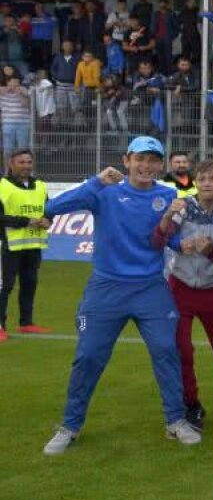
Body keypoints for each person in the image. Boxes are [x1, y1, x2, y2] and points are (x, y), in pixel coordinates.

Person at [41, 137, 201, 455]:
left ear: (161, 165)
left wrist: (180, 243)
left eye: (154, 160)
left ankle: (175, 420)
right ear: (126, 160)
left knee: (167, 352)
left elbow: (167, 239)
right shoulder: (104, 191)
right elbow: (53, 208)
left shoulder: (168, 194)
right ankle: (70, 425)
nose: (146, 166)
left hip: (151, 288)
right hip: (106, 288)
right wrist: (95, 181)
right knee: (88, 357)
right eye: (140, 159)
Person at [150, 159, 213, 429]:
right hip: (179, 287)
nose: (207, 183)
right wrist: (168, 218)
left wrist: (211, 253)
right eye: (202, 178)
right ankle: (191, 404)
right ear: (195, 181)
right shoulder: (184, 207)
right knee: (182, 350)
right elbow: (158, 241)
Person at [0, 149, 51, 340]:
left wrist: (48, 219)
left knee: (29, 283)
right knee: (5, 286)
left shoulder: (40, 186)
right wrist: (25, 221)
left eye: (29, 162)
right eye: (21, 162)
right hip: (8, 244)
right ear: (10, 164)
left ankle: (26, 323)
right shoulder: (2, 186)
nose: (26, 166)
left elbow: (48, 209)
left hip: (33, 243)